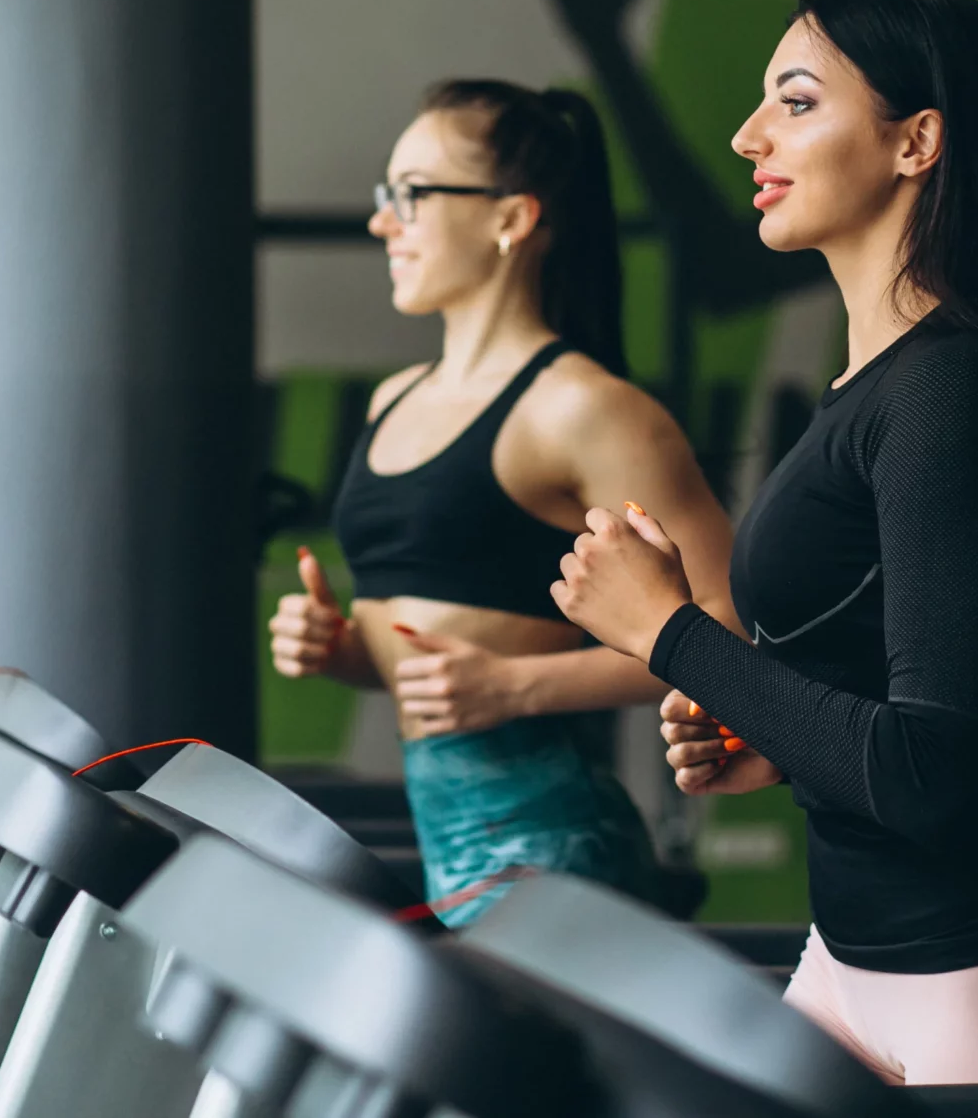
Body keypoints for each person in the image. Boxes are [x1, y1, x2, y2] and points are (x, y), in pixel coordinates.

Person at [551, 0, 978, 1084]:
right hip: (854, 956)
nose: (746, 137)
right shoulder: (882, 384)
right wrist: (772, 746)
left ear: (914, 141)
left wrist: (669, 634)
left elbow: (938, 770)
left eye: (793, 103)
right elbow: (910, 700)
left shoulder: (949, 392)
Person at [269, 79, 740, 926]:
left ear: (511, 218)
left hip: (555, 852)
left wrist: (518, 686)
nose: (384, 222)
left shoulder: (586, 410)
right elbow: (451, 663)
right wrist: (346, 652)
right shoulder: (393, 399)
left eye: (412, 195)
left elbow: (730, 635)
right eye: (387, 197)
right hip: (451, 847)